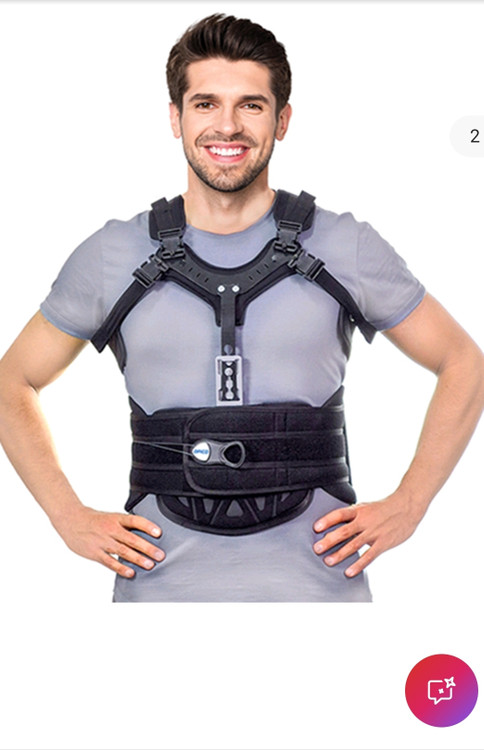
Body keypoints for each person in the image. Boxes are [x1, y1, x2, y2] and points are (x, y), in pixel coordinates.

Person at [0, 14, 483, 603]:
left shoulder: (344, 245)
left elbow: (464, 362)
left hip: (319, 604)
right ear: (175, 118)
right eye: (205, 104)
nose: (226, 125)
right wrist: (66, 516)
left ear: (282, 120)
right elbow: (11, 380)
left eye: (250, 105)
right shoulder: (112, 254)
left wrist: (410, 504)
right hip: (158, 605)